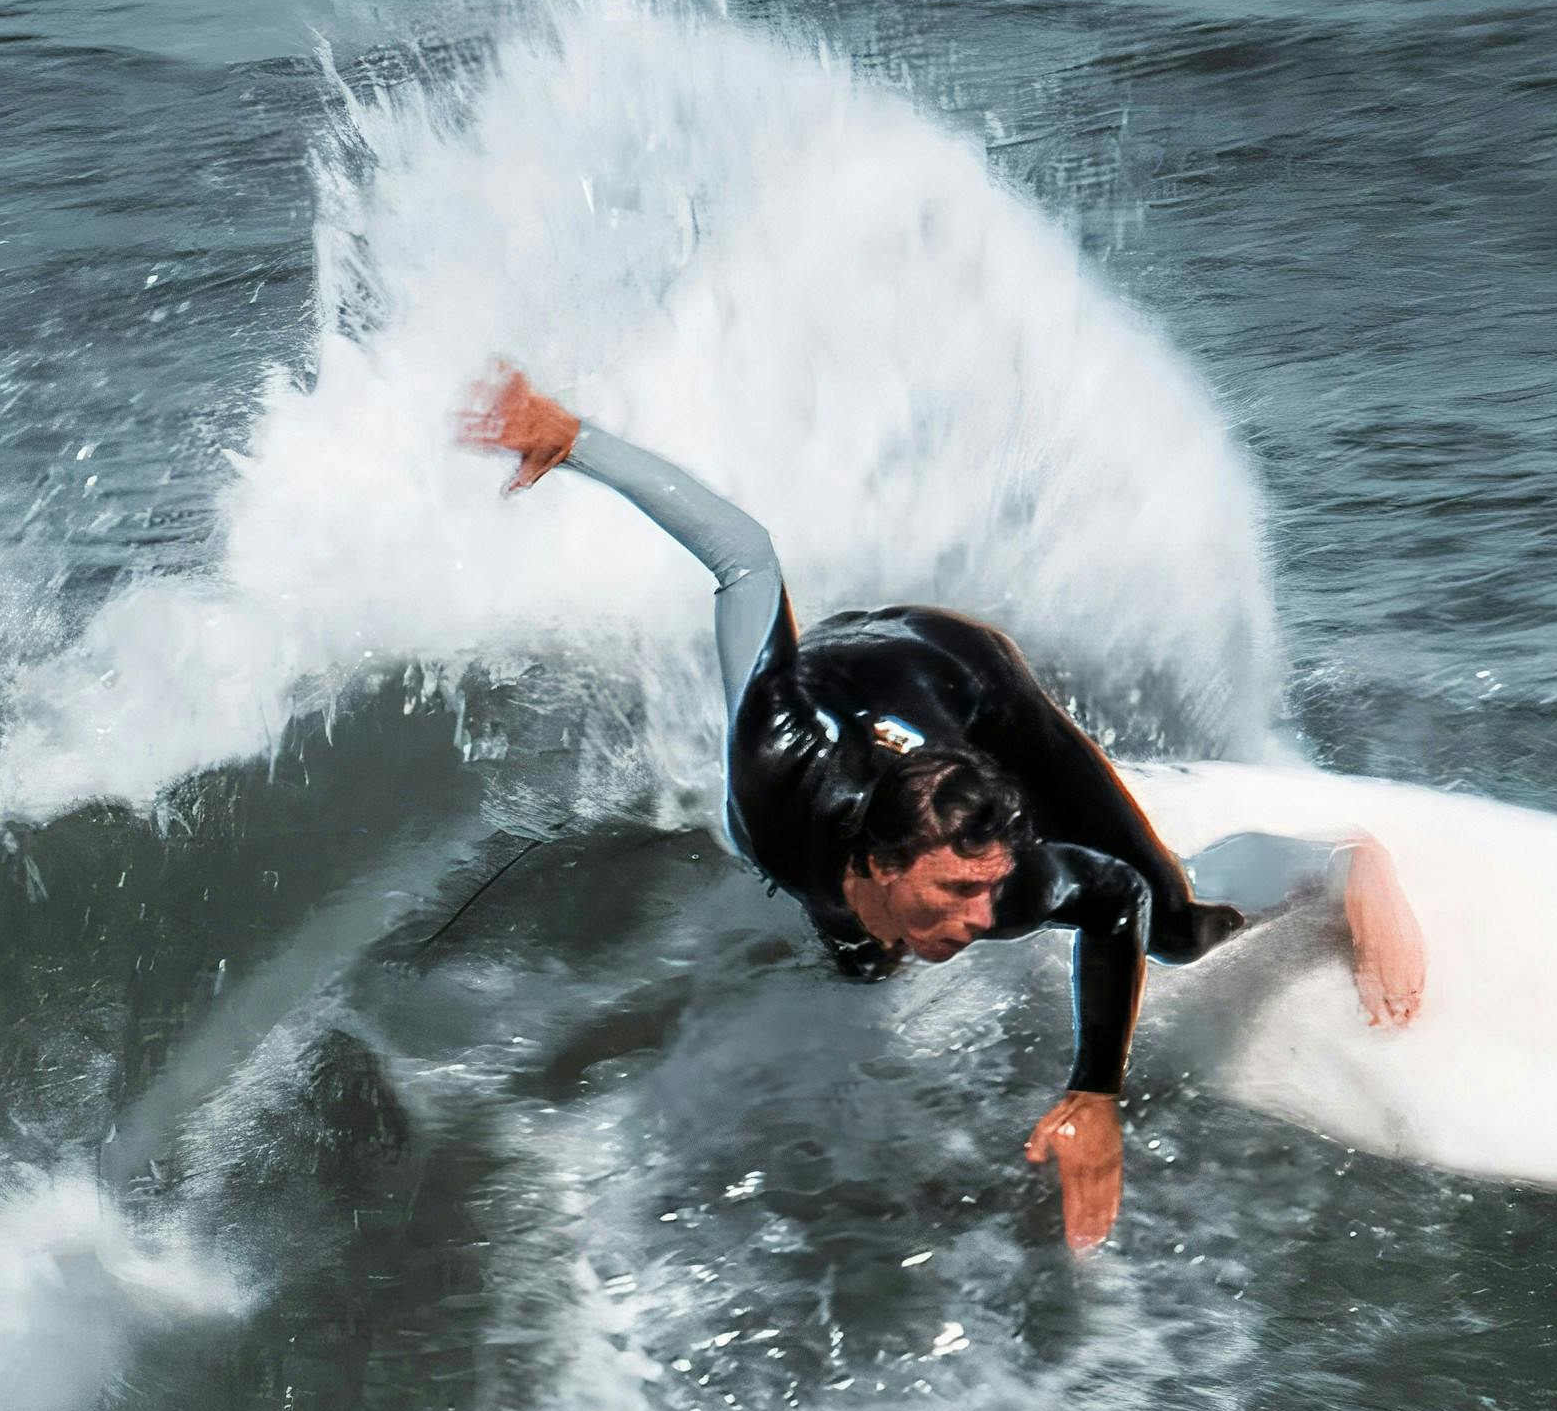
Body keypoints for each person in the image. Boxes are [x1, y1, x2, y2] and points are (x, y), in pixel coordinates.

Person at [458, 364, 1423, 1248]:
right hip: (864, 657)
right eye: (956, 891)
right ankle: (880, 935)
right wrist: (571, 439)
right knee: (864, 966)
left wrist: (1096, 1090)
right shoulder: (775, 750)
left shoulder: (1004, 886)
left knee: (1171, 924)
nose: (983, 921)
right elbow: (747, 561)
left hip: (971, 681)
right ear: (881, 865)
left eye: (986, 893)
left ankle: (1335, 864)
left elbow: (1116, 899)